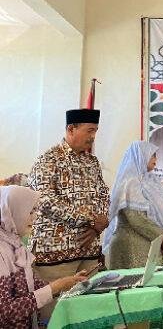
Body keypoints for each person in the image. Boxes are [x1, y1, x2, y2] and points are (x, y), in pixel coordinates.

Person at [28, 109, 108, 317]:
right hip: (55, 258)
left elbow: (103, 194)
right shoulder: (48, 160)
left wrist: (99, 224)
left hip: (89, 252)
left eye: (96, 131)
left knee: (89, 315)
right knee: (57, 316)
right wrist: (91, 220)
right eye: (90, 130)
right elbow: (45, 201)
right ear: (71, 129)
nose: (93, 136)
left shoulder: (92, 162)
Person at [0, 186, 89, 328]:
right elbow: (5, 312)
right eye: (30, 212)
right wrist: (54, 287)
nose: (35, 217)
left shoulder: (15, 244)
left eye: (35, 211)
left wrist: (67, 282)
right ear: (11, 212)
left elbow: (30, 288)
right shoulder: (2, 252)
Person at [102, 141, 163, 269]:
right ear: (140, 156)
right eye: (152, 155)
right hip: (132, 246)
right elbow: (136, 219)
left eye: (156, 155)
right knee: (137, 281)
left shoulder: (155, 181)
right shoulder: (129, 183)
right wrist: (162, 237)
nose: (155, 159)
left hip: (156, 242)